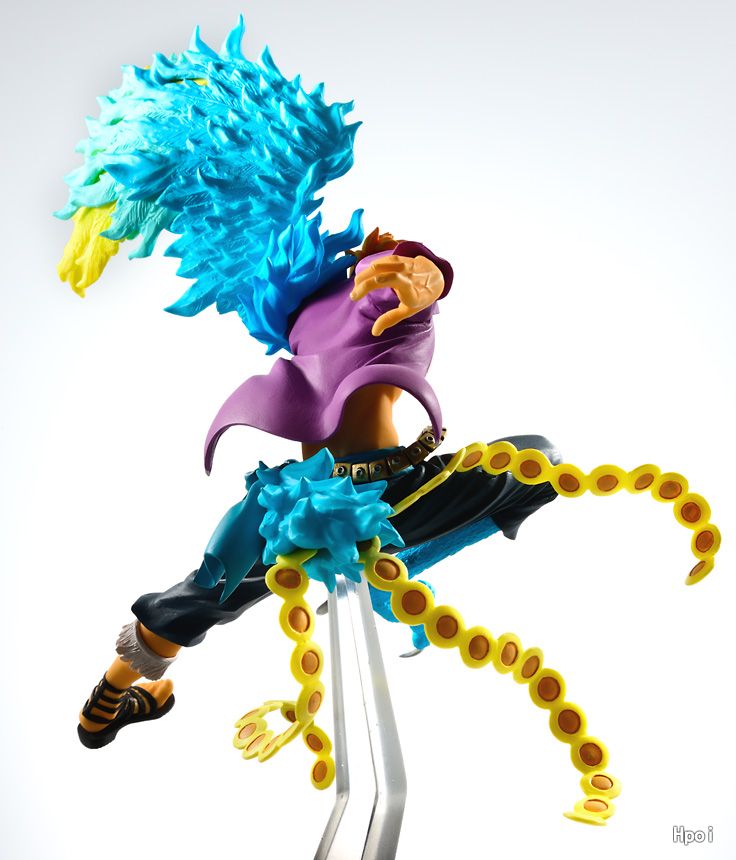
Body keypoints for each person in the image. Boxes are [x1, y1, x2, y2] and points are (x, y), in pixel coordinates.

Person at [77, 229, 561, 748]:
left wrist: (413, 272)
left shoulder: (304, 313)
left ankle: (104, 703)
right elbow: (411, 279)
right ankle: (388, 575)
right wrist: (425, 274)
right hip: (379, 495)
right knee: (542, 461)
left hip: (295, 496)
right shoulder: (371, 292)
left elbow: (399, 280)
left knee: (204, 592)